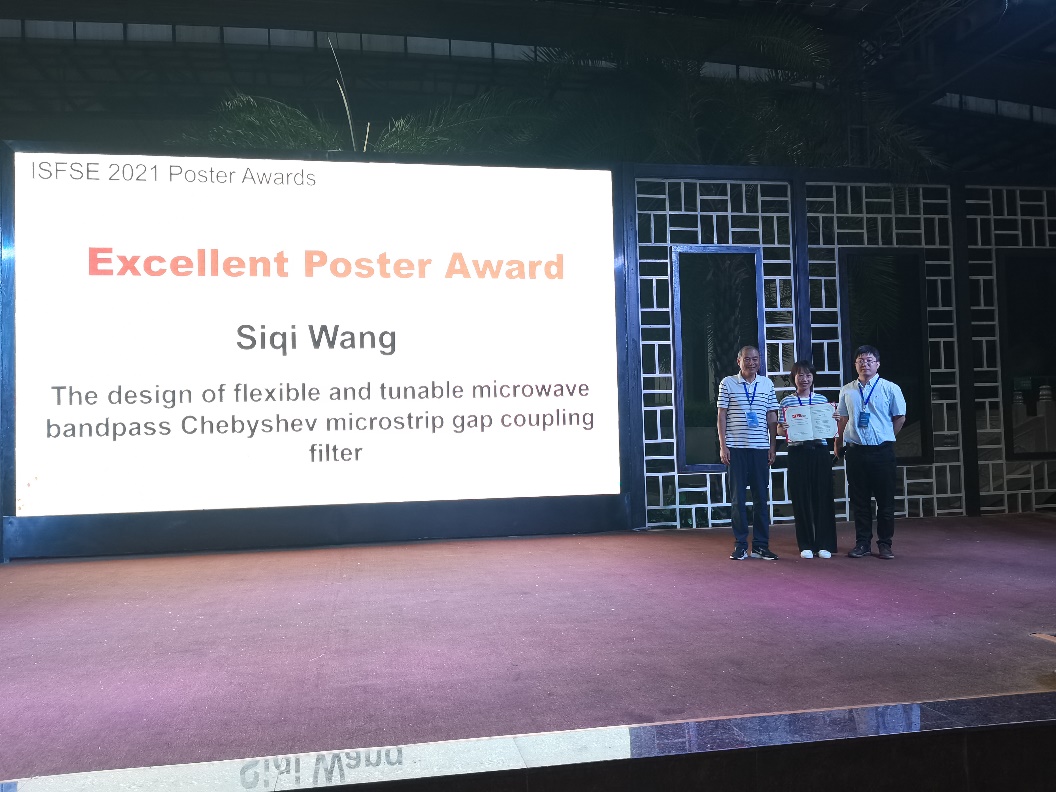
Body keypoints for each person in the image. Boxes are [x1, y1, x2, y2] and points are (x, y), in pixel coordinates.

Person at [833, 345, 907, 560]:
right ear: (855, 364)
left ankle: (885, 544)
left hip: (882, 452)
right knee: (860, 501)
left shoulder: (890, 388)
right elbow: (843, 418)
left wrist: (887, 436)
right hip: (855, 451)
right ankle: (862, 543)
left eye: (869, 360)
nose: (865, 364)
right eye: (860, 361)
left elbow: (900, 417)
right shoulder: (847, 390)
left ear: (878, 364)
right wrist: (838, 441)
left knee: (885, 501)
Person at [718, 345, 779, 561]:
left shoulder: (767, 384)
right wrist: (723, 446)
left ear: (759, 361)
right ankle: (741, 545)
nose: (751, 363)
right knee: (738, 500)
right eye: (747, 359)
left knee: (761, 498)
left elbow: (772, 416)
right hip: (736, 449)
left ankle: (761, 545)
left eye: (755, 359)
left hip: (760, 449)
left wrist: (773, 446)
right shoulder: (727, 383)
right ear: (739, 361)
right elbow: (722, 415)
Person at [778, 360, 838, 559]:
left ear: (813, 378)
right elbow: (779, 430)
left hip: (820, 451)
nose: (804, 379)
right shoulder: (786, 402)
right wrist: (783, 429)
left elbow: (830, 427)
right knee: (801, 498)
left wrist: (834, 420)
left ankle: (824, 544)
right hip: (797, 452)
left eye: (808, 375)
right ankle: (805, 544)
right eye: (800, 375)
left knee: (823, 496)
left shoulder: (822, 400)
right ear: (793, 378)